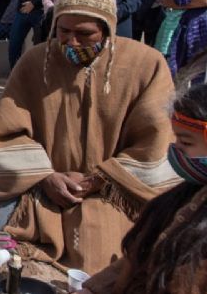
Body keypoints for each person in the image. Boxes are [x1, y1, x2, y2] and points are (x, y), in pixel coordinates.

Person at [0, 0, 179, 274]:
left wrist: (96, 180)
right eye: (63, 30)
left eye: (84, 34)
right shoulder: (35, 62)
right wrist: (46, 176)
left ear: (107, 29)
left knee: (103, 255)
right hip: (42, 183)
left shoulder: (146, 65)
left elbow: (155, 144)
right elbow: (7, 134)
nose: (70, 41)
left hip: (114, 190)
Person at [79, 81, 207, 293]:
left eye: (186, 142)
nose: (176, 150)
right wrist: (93, 289)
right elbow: (137, 259)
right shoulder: (181, 198)